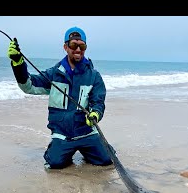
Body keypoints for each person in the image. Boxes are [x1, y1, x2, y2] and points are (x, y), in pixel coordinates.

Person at [7, 26, 113, 170]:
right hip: (63, 134)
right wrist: (18, 64)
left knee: (107, 160)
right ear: (65, 47)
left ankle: (97, 148)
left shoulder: (94, 76)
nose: (78, 49)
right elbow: (28, 86)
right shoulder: (53, 74)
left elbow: (98, 101)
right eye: (73, 45)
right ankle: (56, 150)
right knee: (54, 164)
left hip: (86, 132)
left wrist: (95, 113)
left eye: (82, 46)